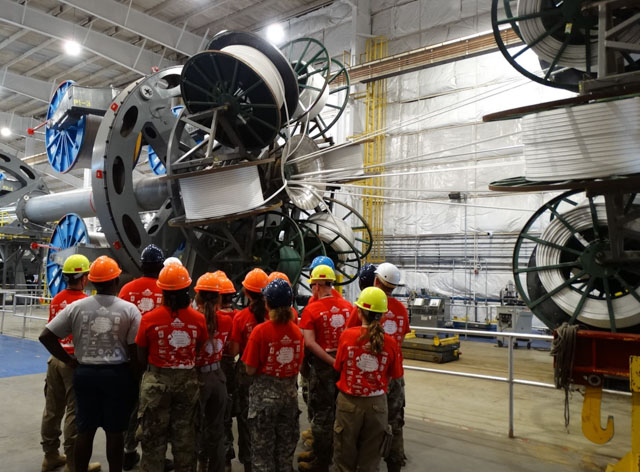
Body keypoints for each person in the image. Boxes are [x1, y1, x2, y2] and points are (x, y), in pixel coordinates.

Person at [39, 256, 141, 472]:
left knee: (85, 430)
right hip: (116, 375)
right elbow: (135, 351)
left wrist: (69, 360)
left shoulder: (76, 307)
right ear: (116, 281)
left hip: (85, 374)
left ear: (92, 281)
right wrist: (134, 379)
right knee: (115, 432)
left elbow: (46, 335)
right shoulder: (129, 310)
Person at [135, 262, 208, 471]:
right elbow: (199, 347)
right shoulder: (198, 320)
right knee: (185, 438)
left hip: (156, 382)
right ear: (187, 289)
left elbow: (141, 354)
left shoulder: (149, 319)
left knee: (153, 439)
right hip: (188, 383)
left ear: (162, 290)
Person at [345, 262, 409, 472]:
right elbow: (401, 338)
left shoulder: (365, 307)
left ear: (375, 280)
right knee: (394, 422)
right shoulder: (401, 310)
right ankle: (394, 463)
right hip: (394, 374)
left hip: (368, 376)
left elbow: (350, 338)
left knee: (360, 425)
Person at [40, 255, 101, 472]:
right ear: (84, 278)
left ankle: (51, 456)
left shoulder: (57, 299)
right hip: (73, 362)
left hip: (55, 359)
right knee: (75, 413)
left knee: (52, 410)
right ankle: (75, 464)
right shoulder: (85, 303)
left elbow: (51, 332)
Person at [333, 287, 403, 472]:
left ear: (360, 311)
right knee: (371, 461)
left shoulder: (347, 336)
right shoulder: (390, 343)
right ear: (382, 315)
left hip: (349, 404)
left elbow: (338, 366)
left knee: (344, 459)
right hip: (377, 406)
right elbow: (395, 375)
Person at [242, 279, 304, 472]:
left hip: (264, 400)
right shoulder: (297, 331)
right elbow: (298, 363)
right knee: (285, 453)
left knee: (262, 455)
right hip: (289, 397)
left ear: (267, 303)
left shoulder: (260, 331)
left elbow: (250, 369)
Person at [298, 265, 353, 472]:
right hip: (344, 366)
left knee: (322, 415)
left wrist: (330, 362)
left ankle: (321, 462)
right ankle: (334, 456)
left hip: (323, 368)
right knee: (340, 414)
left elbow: (310, 344)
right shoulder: (348, 307)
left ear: (317, 285)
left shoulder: (311, 310)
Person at [118, 244, 165, 470]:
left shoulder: (127, 289)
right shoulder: (166, 290)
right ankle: (153, 454)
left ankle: (127, 451)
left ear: (142, 265)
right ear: (160, 266)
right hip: (155, 359)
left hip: (129, 357)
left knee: (130, 405)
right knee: (153, 409)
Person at [230, 268, 270, 472]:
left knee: (247, 420)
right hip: (270, 374)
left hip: (246, 374)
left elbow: (234, 350)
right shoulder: (275, 316)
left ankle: (248, 462)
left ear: (246, 292)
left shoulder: (240, 318)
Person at [194, 273, 233, 472]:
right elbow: (231, 349)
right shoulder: (227, 320)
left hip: (197, 378)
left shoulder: (193, 319)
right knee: (216, 429)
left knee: (193, 429)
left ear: (198, 297)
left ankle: (199, 464)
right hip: (217, 376)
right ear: (219, 298)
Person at [218, 275, 238, 471]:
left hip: (214, 368)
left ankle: (222, 458)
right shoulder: (238, 316)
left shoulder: (209, 317)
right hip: (230, 368)